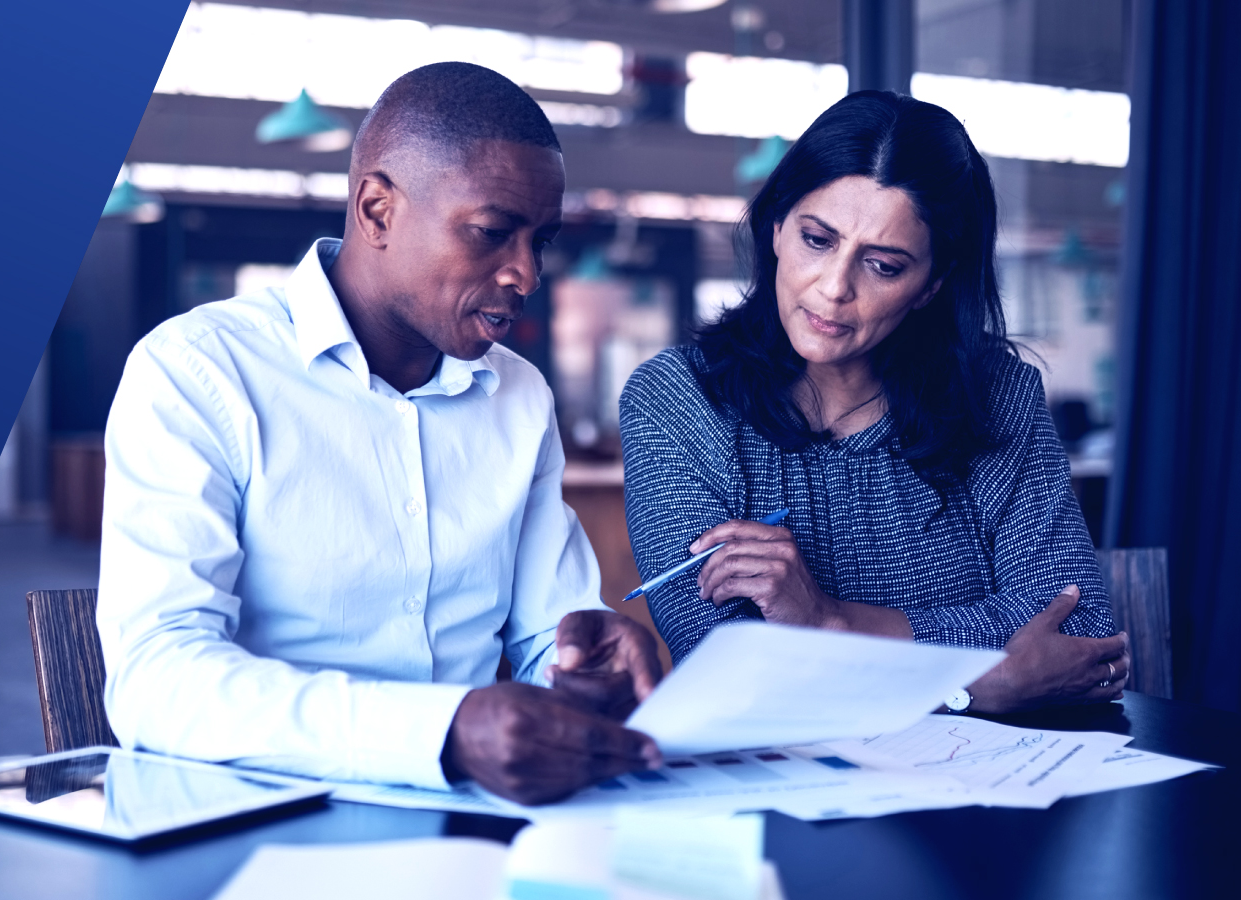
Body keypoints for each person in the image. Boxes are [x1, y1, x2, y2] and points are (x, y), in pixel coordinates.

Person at [97, 62, 662, 805]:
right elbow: (156, 680)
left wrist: (585, 656)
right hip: (257, 821)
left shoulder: (518, 395)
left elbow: (544, 636)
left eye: (541, 240)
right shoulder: (199, 373)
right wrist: (444, 732)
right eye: (493, 233)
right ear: (376, 210)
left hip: (475, 821)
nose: (525, 273)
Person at [619, 91, 1129, 714]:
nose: (834, 289)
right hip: (787, 789)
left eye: (884, 266)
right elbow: (728, 667)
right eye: (816, 239)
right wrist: (982, 682)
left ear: (931, 286)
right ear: (776, 228)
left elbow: (1078, 634)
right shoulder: (677, 400)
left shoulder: (1000, 396)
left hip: (988, 789)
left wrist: (827, 622)